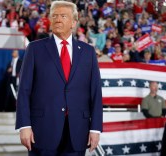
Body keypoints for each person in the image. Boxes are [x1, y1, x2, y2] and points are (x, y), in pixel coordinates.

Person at [15, 1, 102, 156]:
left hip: (77, 132)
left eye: (63, 16)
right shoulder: (35, 49)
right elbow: (24, 90)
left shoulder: (88, 52)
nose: (57, 19)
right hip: (41, 130)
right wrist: (24, 125)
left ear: (74, 22)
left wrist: (95, 128)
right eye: (54, 16)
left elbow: (95, 92)